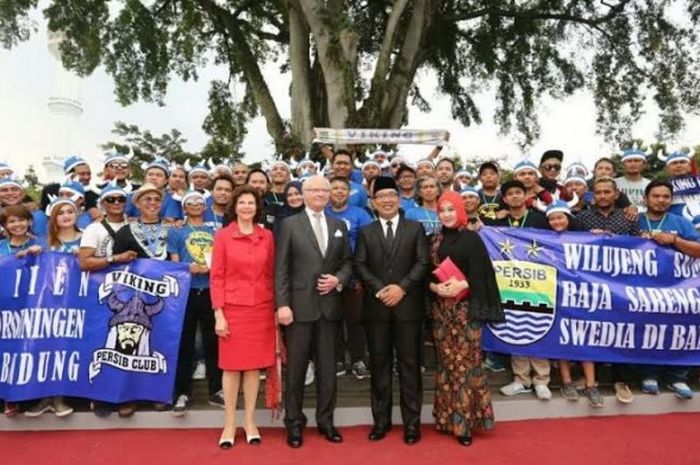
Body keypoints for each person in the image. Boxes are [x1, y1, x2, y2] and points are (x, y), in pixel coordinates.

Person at [275, 175, 352, 448]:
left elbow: (347, 262)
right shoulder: (288, 225)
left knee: (328, 371)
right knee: (295, 371)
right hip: (298, 310)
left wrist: (339, 280)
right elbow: (280, 268)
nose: (320, 194)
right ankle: (294, 423)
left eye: (324, 190)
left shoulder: (339, 225)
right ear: (303, 194)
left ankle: (326, 421)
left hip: (330, 309)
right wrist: (282, 305)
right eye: (314, 190)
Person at [354, 176, 431, 445]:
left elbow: (423, 262)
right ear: (373, 204)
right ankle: (381, 422)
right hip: (376, 309)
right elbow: (360, 265)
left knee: (410, 367)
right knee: (379, 366)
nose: (386, 200)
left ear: (399, 200)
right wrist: (382, 289)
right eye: (381, 197)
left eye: (391, 195)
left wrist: (401, 288)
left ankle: (412, 425)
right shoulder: (366, 231)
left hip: (408, 308)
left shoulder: (415, 228)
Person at [429, 191, 503, 445]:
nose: (447, 214)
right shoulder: (434, 240)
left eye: (452, 209)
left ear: (460, 210)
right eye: (442, 210)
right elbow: (427, 275)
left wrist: (463, 284)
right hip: (441, 313)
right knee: (447, 367)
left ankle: (465, 424)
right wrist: (436, 288)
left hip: (465, 312)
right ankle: (445, 419)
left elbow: (483, 276)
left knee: (466, 367)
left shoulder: (471, 238)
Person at [209, 185, 276, 448]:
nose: (247, 207)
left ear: (257, 207)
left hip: (261, 307)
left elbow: (271, 273)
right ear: (234, 207)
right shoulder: (223, 236)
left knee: (252, 368)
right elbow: (217, 276)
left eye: (251, 203)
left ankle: (249, 421)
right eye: (242, 203)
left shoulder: (267, 236)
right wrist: (219, 313)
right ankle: (229, 423)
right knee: (230, 367)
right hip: (232, 309)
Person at [576, 176, 641, 403]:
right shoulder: (582, 218)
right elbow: (568, 245)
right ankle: (588, 381)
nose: (603, 196)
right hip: (589, 285)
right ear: (593, 196)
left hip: (622, 286)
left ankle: (620, 380)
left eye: (607, 192)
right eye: (599, 192)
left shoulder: (629, 217)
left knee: (620, 330)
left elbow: (642, 245)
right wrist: (586, 238)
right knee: (588, 328)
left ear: (616, 194)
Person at [78, 183, 138, 417]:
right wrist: (115, 258)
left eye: (120, 199)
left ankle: (127, 395)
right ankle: (101, 395)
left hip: (130, 292)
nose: (116, 203)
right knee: (101, 344)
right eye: (110, 200)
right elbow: (84, 262)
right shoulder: (94, 229)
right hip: (101, 292)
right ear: (102, 204)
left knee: (127, 346)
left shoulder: (134, 226)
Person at [637, 180, 700, 400]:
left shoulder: (681, 223)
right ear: (646, 199)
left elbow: (698, 251)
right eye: (656, 196)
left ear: (671, 200)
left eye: (666, 197)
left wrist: (674, 240)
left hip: (678, 290)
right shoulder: (634, 220)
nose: (661, 200)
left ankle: (678, 377)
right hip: (640, 289)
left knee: (679, 329)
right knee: (646, 330)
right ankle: (648, 375)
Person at [539, 199, 604, 407]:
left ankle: (591, 384)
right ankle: (567, 382)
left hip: (581, 296)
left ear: (569, 218)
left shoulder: (583, 237)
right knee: (561, 338)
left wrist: (598, 237)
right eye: (552, 218)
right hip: (555, 295)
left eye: (560, 217)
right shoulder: (543, 238)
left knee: (584, 338)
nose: (556, 221)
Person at [24, 198, 81, 418]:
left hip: (77, 304)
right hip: (49, 305)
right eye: (61, 212)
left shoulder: (87, 238)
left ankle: (61, 397)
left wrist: (87, 257)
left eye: (70, 211)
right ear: (53, 217)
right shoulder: (43, 242)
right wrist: (29, 255)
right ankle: (45, 397)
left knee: (69, 350)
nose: (66, 215)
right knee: (47, 349)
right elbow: (25, 269)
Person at [168, 189, 223, 417]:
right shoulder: (176, 231)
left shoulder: (217, 231)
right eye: (190, 202)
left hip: (212, 290)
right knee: (185, 343)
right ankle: (182, 392)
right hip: (187, 292)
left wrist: (213, 268)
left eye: (199, 202)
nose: (195, 205)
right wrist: (186, 268)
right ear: (184, 207)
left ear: (206, 206)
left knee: (214, 343)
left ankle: (217, 389)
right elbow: (174, 263)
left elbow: (223, 259)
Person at [325, 176, 373, 379]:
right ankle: (336, 359)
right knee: (331, 320)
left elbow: (369, 243)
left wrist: (363, 276)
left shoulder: (360, 214)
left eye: (342, 188)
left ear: (349, 192)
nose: (338, 191)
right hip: (327, 276)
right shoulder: (322, 212)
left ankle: (358, 359)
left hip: (354, 276)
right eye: (334, 188)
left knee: (356, 321)